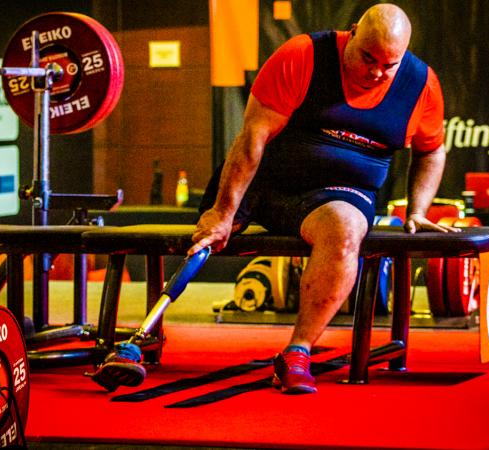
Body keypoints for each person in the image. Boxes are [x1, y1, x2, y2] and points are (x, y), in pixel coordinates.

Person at [91, 3, 457, 394]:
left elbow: (432, 149)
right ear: (352, 32)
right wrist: (222, 212)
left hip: (337, 196)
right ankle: (136, 340)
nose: (376, 73)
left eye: (389, 65)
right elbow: (254, 137)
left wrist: (417, 210)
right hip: (266, 182)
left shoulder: (420, 83)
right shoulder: (303, 56)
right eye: (368, 58)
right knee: (212, 235)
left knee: (346, 227)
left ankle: (296, 355)